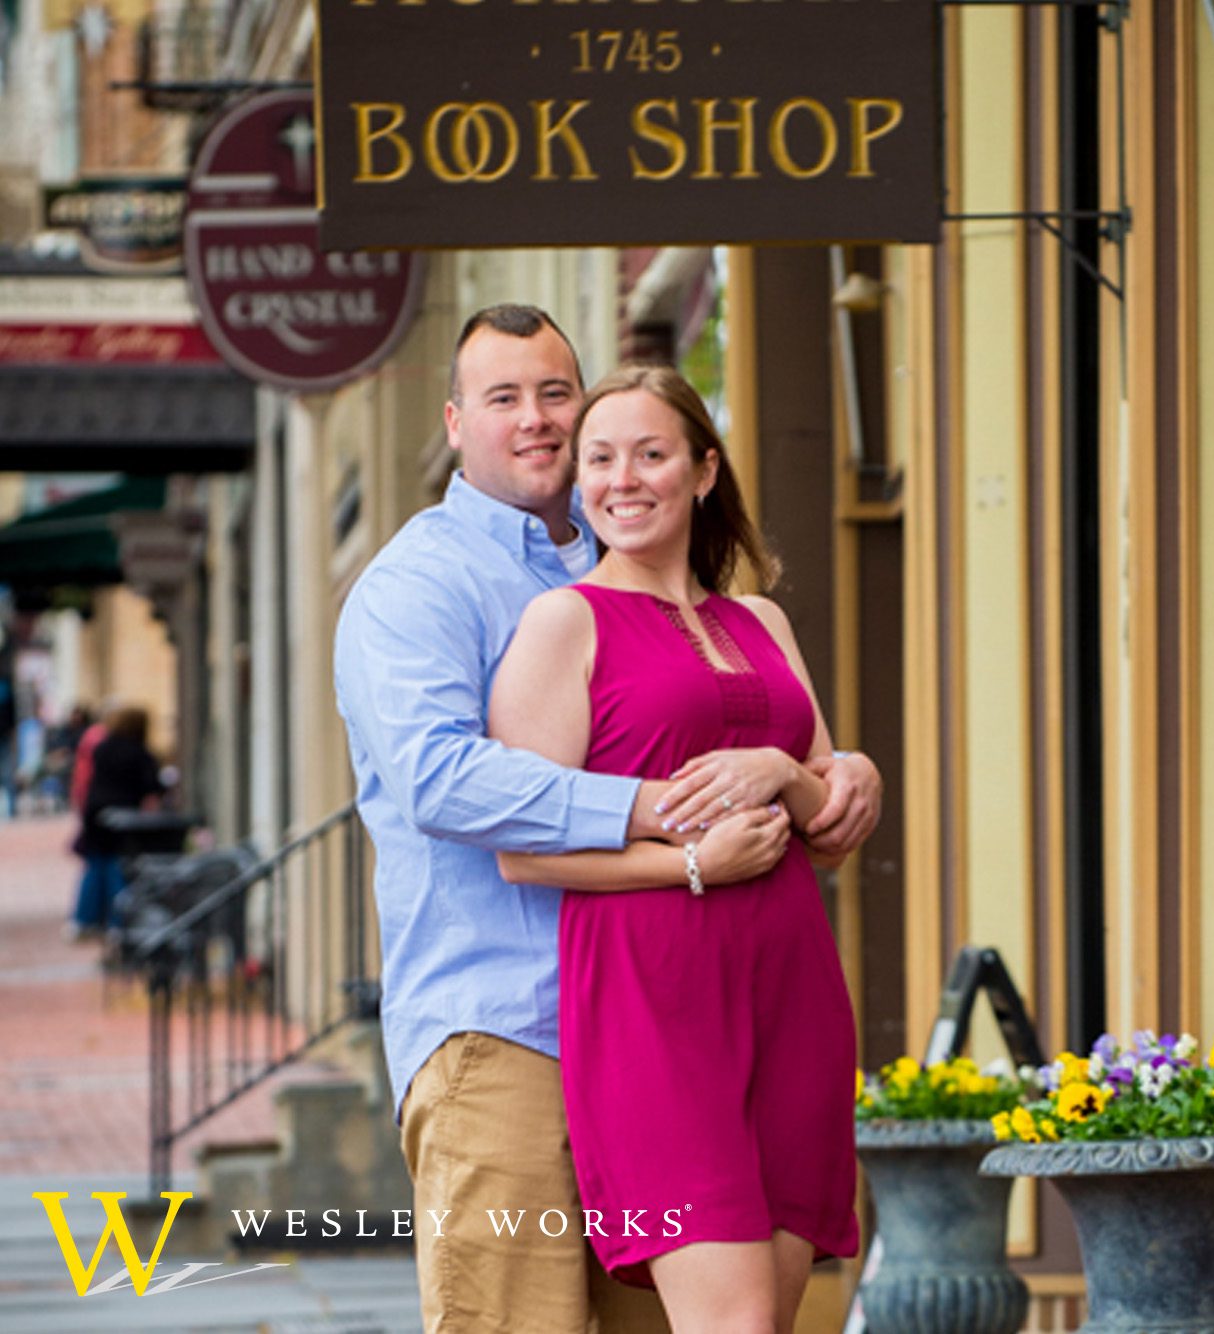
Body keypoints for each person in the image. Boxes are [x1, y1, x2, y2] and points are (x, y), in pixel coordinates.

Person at [332, 305, 880, 1334]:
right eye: (504, 397)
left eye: (555, 393)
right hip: (508, 1034)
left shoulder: (649, 566)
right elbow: (439, 779)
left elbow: (772, 740)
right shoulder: (416, 585)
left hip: (675, 1023)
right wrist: (673, 817)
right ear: (455, 421)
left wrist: (835, 772)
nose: (535, 419)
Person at [488, 363, 860, 1331]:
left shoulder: (761, 620)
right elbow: (521, 850)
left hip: (791, 991)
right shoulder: (562, 621)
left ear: (702, 470)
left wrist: (787, 771)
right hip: (652, 1001)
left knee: (770, 1323)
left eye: (651, 454)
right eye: (600, 458)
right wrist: (694, 863)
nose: (623, 479)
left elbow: (825, 827)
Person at [71, 705, 164, 935]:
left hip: (96, 813)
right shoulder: (139, 752)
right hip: (123, 817)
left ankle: (84, 919)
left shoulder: (103, 748)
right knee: (117, 867)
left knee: (94, 866)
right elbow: (152, 787)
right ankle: (118, 921)